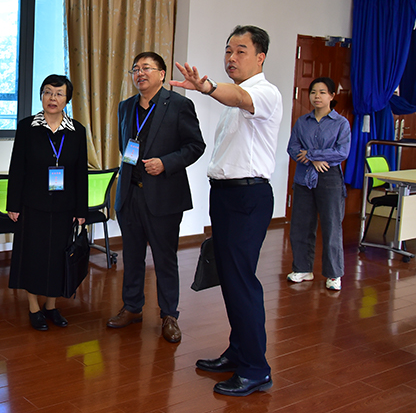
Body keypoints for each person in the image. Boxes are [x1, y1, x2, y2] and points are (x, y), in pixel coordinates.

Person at [172, 25, 282, 397]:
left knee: (242, 282)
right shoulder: (236, 100)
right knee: (231, 280)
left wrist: (206, 87)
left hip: (246, 199)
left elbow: (238, 97)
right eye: (228, 51)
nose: (231, 58)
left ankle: (256, 369)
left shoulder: (263, 93)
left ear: (260, 57)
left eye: (240, 51)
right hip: (226, 197)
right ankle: (239, 352)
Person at [107, 52, 205, 342]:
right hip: (130, 194)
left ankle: (169, 315)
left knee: (165, 258)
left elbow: (195, 146)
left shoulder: (179, 105)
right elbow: (124, 146)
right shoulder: (126, 107)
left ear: (162, 74)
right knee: (132, 256)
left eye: (146, 68)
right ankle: (132, 307)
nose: (140, 73)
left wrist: (166, 162)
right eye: (135, 69)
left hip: (164, 195)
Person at [6, 75, 88, 331]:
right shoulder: (27, 127)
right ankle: (33, 308)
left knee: (58, 257)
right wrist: (13, 204)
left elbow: (80, 173)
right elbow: (17, 167)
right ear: (41, 95)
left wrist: (81, 209)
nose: (53, 98)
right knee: (33, 256)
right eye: (48, 92)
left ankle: (51, 306)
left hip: (65, 205)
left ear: (67, 99)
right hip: (32, 204)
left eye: (59, 93)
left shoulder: (77, 131)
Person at [286, 77, 350, 291]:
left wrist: (312, 154)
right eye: (313, 92)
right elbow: (292, 148)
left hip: (329, 177)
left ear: (332, 96)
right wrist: (312, 159)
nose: (317, 96)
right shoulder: (302, 122)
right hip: (303, 176)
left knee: (331, 225)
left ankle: (334, 274)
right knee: (301, 225)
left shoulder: (341, 123)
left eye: (322, 92)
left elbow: (341, 152)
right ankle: (302, 269)